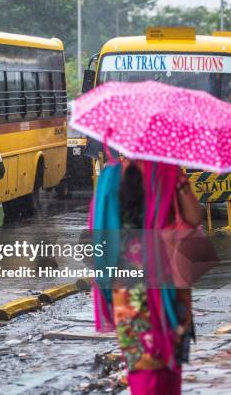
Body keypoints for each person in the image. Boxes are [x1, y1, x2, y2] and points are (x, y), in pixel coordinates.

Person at [90, 158, 202, 395]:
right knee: (170, 375)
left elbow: (100, 238)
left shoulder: (110, 177)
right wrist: (179, 182)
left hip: (131, 293)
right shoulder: (169, 173)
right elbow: (194, 218)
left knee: (144, 373)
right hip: (172, 288)